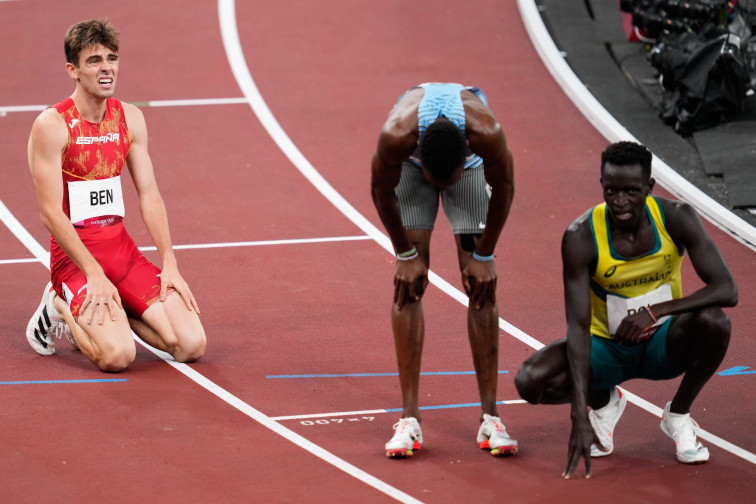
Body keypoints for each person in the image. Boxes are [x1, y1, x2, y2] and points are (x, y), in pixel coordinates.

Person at [514, 141, 737, 478]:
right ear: (602, 185)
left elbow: (726, 289)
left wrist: (656, 311)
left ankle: (677, 415)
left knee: (715, 322)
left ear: (649, 187)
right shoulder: (582, 236)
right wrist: (578, 413)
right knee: (530, 381)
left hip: (663, 345)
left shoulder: (676, 218)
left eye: (631, 191)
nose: (620, 202)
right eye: (611, 190)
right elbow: (577, 327)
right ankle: (604, 405)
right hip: (607, 349)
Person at [25, 18, 206, 372]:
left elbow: (149, 194)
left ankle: (117, 311)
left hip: (123, 256)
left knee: (191, 345)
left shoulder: (131, 119)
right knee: (118, 357)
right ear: (72, 70)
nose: (106, 68)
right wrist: (93, 273)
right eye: (94, 61)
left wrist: (170, 263)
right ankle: (56, 304)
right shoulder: (52, 124)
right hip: (75, 263)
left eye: (112, 58)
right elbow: (49, 212)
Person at [371, 83, 516, 458]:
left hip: (469, 168)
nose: (442, 191)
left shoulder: (486, 134)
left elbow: (504, 189)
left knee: (482, 285)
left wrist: (485, 257)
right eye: (439, 184)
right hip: (410, 168)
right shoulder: (396, 136)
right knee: (409, 284)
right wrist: (404, 253)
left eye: (445, 183)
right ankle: (409, 420)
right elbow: (380, 190)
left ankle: (491, 417)